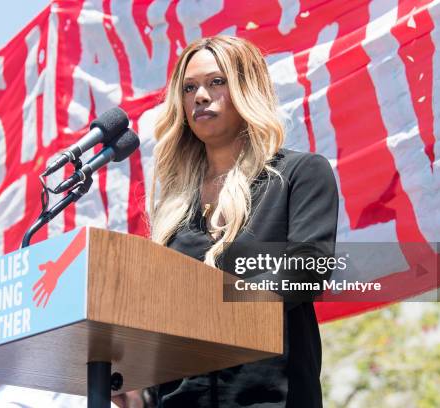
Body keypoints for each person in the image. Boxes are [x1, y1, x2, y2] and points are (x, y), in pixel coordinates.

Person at [117, 35, 338, 408]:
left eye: (216, 82)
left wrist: (211, 305)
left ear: (246, 89)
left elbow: (309, 268)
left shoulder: (298, 174)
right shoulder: (174, 208)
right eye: (189, 88)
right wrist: (141, 392)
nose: (200, 96)